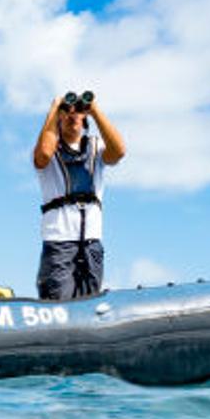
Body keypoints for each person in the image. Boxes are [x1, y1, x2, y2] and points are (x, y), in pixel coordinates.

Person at [32, 90, 126, 300]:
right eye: (67, 111)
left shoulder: (96, 148)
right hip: (59, 243)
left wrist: (94, 109)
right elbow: (44, 154)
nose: (72, 114)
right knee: (58, 307)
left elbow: (119, 151)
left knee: (89, 307)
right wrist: (55, 108)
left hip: (92, 243)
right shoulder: (48, 149)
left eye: (77, 111)